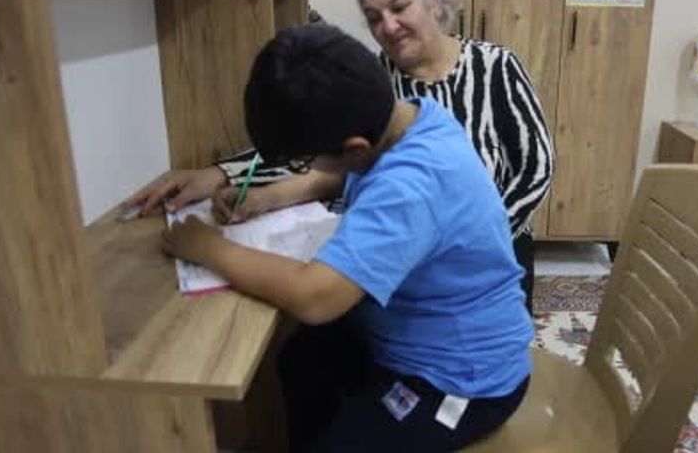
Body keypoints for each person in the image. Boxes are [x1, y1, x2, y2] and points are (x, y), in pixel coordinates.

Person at [162, 24, 532, 452]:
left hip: (460, 379)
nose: (310, 168)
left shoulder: (409, 187)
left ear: (355, 148)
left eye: (309, 159)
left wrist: (209, 248)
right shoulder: (413, 119)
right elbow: (345, 178)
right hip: (405, 335)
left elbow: (314, 298)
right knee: (300, 359)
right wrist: (265, 197)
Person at [125, 0, 554, 313]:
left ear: (434, 3)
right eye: (374, 18)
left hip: (490, 246)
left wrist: (478, 237)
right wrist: (223, 174)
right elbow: (318, 145)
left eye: (399, 7)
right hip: (406, 249)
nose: (388, 26)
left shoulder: (495, 66)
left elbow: (536, 168)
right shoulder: (372, 80)